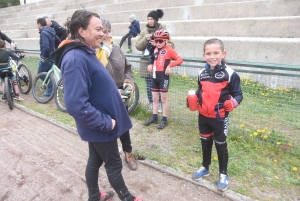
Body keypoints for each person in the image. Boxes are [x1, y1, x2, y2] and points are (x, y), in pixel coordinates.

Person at [51, 10, 142, 201]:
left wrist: (113, 92)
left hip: (99, 126)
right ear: (81, 31)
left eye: (103, 29)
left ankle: (94, 196)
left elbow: (93, 85)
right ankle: (128, 198)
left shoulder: (85, 51)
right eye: (98, 29)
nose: (103, 33)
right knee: (114, 166)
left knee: (94, 160)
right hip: (101, 126)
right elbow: (75, 104)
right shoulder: (75, 58)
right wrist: (105, 123)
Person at [191, 38, 243, 191]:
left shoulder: (231, 74)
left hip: (220, 118)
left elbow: (239, 95)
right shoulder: (202, 73)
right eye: (208, 53)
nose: (212, 56)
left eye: (216, 53)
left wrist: (233, 103)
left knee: (221, 146)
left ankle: (223, 174)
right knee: (205, 143)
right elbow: (200, 91)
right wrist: (194, 99)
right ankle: (205, 167)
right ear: (203, 55)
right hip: (203, 117)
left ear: (223, 53)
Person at [96, 18, 138, 170]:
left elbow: (128, 68)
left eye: (108, 31)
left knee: (123, 126)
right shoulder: (94, 52)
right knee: (109, 127)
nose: (106, 35)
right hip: (105, 96)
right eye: (102, 31)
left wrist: (128, 81)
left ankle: (128, 153)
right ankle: (111, 158)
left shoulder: (117, 49)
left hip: (122, 96)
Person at [135, 9, 174, 112]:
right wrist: (145, 39)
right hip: (146, 63)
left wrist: (157, 44)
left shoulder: (163, 31)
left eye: (152, 19)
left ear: (156, 19)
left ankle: (160, 104)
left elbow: (171, 45)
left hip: (160, 63)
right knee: (149, 85)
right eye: (148, 19)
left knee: (160, 85)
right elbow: (138, 46)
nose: (150, 21)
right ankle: (152, 104)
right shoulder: (144, 32)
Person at [144, 30, 183, 129]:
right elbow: (151, 57)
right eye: (156, 41)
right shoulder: (155, 49)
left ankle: (164, 119)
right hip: (154, 77)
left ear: (165, 41)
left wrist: (170, 65)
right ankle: (154, 117)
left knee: (164, 99)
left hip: (163, 78)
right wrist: (150, 64)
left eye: (160, 41)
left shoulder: (169, 50)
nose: (158, 43)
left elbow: (180, 60)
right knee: (155, 99)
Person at [36, 18, 60, 97]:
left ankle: (51, 89)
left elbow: (45, 47)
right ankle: (51, 88)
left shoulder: (43, 33)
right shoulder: (51, 30)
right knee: (48, 74)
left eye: (37, 24)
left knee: (40, 74)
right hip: (52, 56)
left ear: (39, 24)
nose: (37, 26)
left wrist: (43, 56)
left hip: (46, 57)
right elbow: (58, 41)